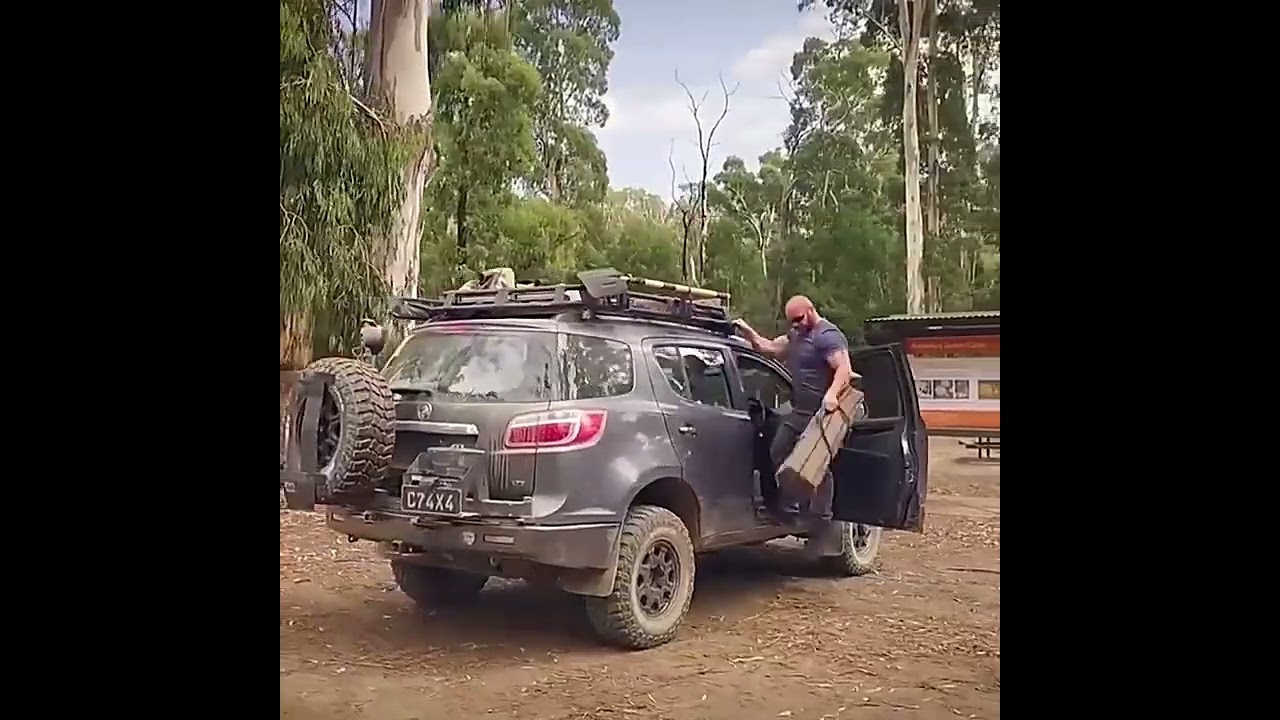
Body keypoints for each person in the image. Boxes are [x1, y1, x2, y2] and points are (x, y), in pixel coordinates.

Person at [733, 296, 855, 521]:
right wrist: (748, 331)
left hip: (822, 413)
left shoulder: (827, 336)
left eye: (798, 319)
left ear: (810, 310)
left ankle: (820, 515)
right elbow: (767, 348)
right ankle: (793, 504)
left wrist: (831, 394)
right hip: (800, 411)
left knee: (817, 461)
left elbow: (844, 370)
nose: (795, 324)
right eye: (791, 321)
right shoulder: (796, 336)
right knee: (778, 450)